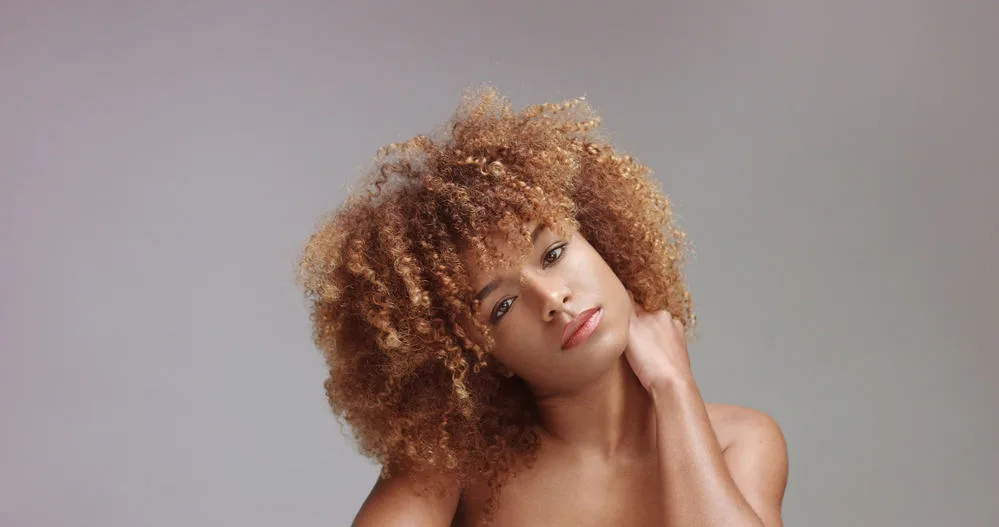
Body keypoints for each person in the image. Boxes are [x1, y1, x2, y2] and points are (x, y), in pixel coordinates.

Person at [296, 85, 789, 526]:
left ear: (604, 244)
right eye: (503, 306)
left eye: (553, 254)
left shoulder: (738, 441)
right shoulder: (458, 468)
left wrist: (674, 388)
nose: (552, 300)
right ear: (476, 352)